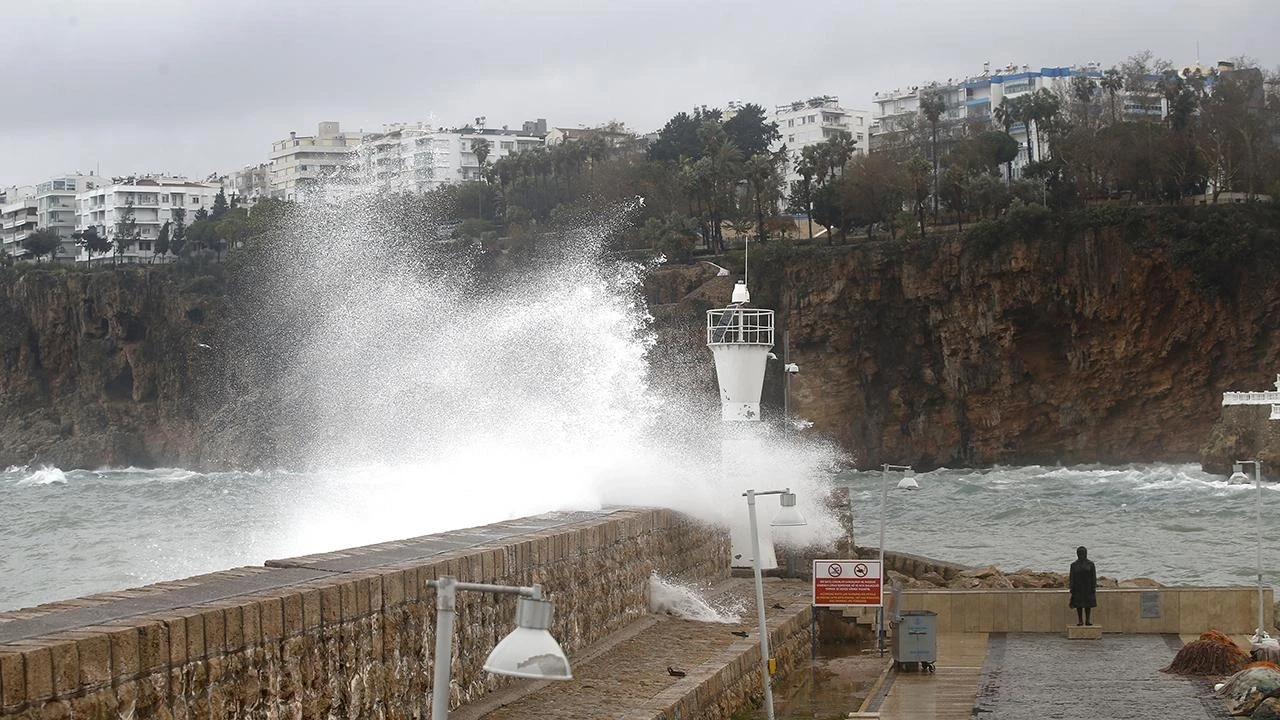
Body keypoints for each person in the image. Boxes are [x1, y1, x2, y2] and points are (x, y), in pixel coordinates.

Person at [1069, 546, 1098, 626]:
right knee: (1079, 605)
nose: (1081, 554)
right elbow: (1072, 577)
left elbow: (1093, 576)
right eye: (1080, 553)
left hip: (1088, 587)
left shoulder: (1090, 564)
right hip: (1078, 588)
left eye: (1083, 553)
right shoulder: (1074, 565)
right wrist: (1071, 587)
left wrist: (1093, 587)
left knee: (1088, 605)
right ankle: (1080, 620)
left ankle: (1088, 620)